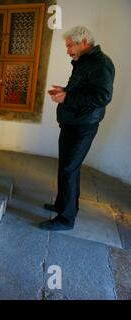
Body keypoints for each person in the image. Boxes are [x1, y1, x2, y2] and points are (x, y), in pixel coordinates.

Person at [40, 26, 115, 231]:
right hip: (72, 122)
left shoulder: (101, 63)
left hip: (83, 125)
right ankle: (62, 205)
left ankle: (66, 219)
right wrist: (65, 90)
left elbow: (102, 97)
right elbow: (85, 89)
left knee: (69, 169)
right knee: (66, 167)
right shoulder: (84, 61)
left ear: (83, 42)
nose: (68, 50)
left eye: (70, 45)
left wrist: (68, 97)